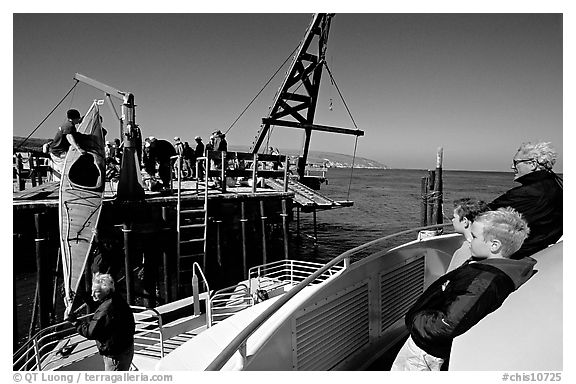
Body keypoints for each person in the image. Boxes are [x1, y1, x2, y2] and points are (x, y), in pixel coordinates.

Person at [391, 207, 534, 371]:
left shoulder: (485, 280)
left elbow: (448, 323)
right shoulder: (485, 269)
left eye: (474, 237)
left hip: (426, 349)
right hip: (426, 340)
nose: (469, 241)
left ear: (494, 245)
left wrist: (416, 320)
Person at [489, 142, 562, 259]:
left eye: (515, 163)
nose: (512, 167)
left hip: (519, 256)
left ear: (532, 164)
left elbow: (484, 214)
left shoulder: (527, 193)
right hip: (543, 252)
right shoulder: (557, 186)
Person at [65, 273, 135, 371]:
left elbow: (90, 332)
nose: (92, 294)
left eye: (96, 291)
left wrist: (74, 321)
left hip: (116, 355)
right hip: (126, 347)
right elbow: (97, 304)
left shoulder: (105, 310)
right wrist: (81, 294)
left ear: (106, 291)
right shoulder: (115, 298)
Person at [446, 198, 490, 272]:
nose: (452, 220)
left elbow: (449, 280)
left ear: (465, 221)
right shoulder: (487, 247)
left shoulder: (465, 251)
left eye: (454, 217)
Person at [49, 109, 85, 180]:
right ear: (74, 118)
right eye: (78, 118)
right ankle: (64, 186)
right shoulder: (69, 126)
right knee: (65, 171)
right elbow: (69, 137)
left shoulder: (69, 124)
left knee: (67, 168)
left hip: (58, 151)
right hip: (58, 153)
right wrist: (79, 149)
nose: (79, 119)